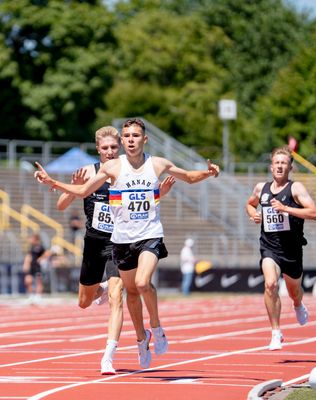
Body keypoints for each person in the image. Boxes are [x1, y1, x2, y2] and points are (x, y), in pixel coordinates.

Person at [34, 118, 219, 369]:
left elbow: (183, 177)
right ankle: (141, 337)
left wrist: (207, 173)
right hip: (108, 241)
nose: (126, 143)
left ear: (143, 139)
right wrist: (55, 182)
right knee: (102, 298)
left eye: (133, 137)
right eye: (125, 137)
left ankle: (131, 342)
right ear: (108, 145)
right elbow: (78, 195)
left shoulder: (154, 164)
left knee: (130, 290)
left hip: (138, 236)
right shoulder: (104, 170)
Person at [56, 125, 175, 375]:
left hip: (118, 242)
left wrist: (159, 194)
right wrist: (74, 185)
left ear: (119, 147)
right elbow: (62, 205)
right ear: (98, 149)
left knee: (116, 298)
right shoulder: (90, 172)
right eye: (105, 148)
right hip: (93, 243)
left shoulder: (127, 169)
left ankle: (109, 355)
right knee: (83, 302)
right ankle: (97, 288)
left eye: (113, 147)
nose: (110, 152)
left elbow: (145, 201)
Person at [246, 146, 316, 350]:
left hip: (292, 250)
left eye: (284, 163)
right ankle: (276, 333)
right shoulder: (261, 188)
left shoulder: (296, 189)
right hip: (269, 247)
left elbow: (314, 213)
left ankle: (298, 304)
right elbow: (250, 204)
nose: (280, 166)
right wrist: (253, 214)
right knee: (270, 284)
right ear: (271, 167)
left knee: (294, 291)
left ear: (290, 167)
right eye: (277, 163)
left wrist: (286, 208)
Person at [22, 233, 51, 303]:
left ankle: (38, 296)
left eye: (32, 238)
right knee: (28, 281)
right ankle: (31, 296)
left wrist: (41, 258)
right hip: (31, 267)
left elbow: (48, 253)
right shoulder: (31, 247)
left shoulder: (40, 247)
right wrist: (26, 264)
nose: (30, 240)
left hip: (37, 267)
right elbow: (28, 256)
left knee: (39, 282)